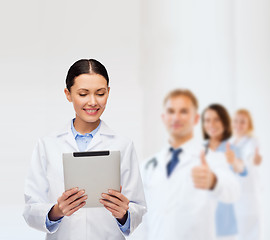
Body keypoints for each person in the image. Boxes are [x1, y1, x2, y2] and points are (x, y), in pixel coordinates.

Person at [23, 59, 147, 240]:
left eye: (100, 93)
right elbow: (30, 209)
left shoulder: (123, 145)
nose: (93, 102)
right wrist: (56, 211)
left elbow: (138, 207)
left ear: (108, 92)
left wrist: (123, 214)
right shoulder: (47, 145)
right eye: (83, 94)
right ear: (68, 94)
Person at [133, 89, 240, 240]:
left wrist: (213, 182)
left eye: (183, 111)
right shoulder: (148, 166)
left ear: (196, 119)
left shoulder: (212, 158)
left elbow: (233, 191)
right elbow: (141, 221)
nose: (176, 117)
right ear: (164, 118)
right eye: (171, 111)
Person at [202, 104, 247, 240]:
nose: (212, 124)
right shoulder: (199, 150)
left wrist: (234, 162)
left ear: (225, 122)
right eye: (207, 120)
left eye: (217, 119)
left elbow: (242, 169)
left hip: (225, 224)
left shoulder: (231, 149)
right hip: (202, 221)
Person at [230, 109, 263, 240]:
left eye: (243, 122)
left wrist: (255, 159)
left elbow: (253, 159)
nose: (238, 125)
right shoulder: (231, 143)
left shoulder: (252, 142)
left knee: (251, 233)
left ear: (249, 124)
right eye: (236, 121)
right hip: (235, 197)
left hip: (249, 198)